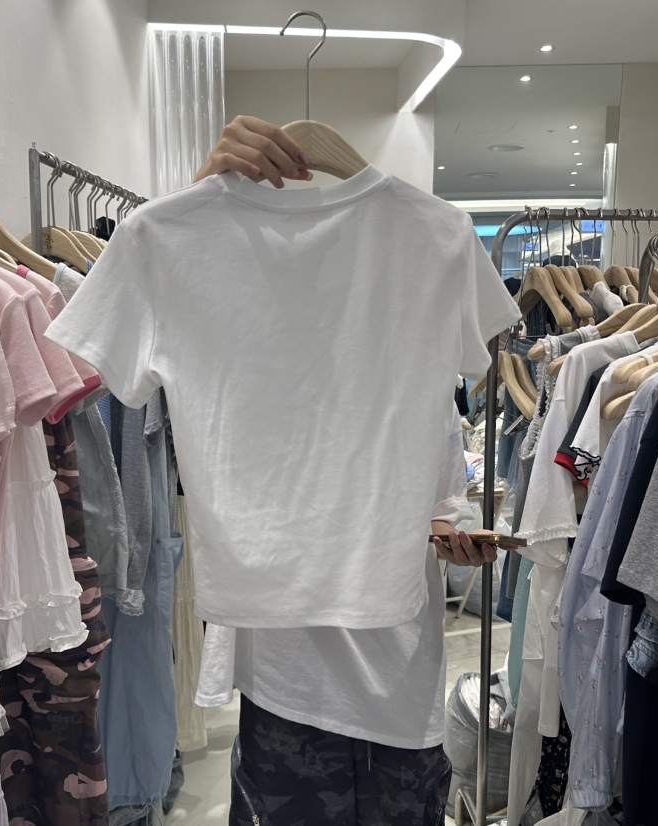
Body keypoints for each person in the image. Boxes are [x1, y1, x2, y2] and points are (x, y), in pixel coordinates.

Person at [192, 117, 501, 826]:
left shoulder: (435, 250)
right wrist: (201, 204)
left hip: (396, 672)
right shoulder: (229, 293)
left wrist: (454, 536)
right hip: (286, 671)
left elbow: (444, 496)